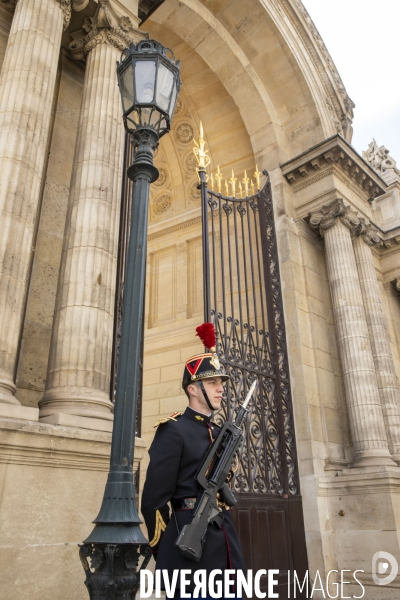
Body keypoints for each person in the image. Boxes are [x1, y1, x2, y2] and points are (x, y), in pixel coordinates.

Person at [141, 323, 245, 598]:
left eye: (221, 383)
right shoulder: (173, 429)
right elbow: (153, 500)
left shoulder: (217, 431)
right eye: (212, 383)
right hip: (189, 552)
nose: (220, 389)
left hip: (223, 545)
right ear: (193, 389)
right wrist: (166, 546)